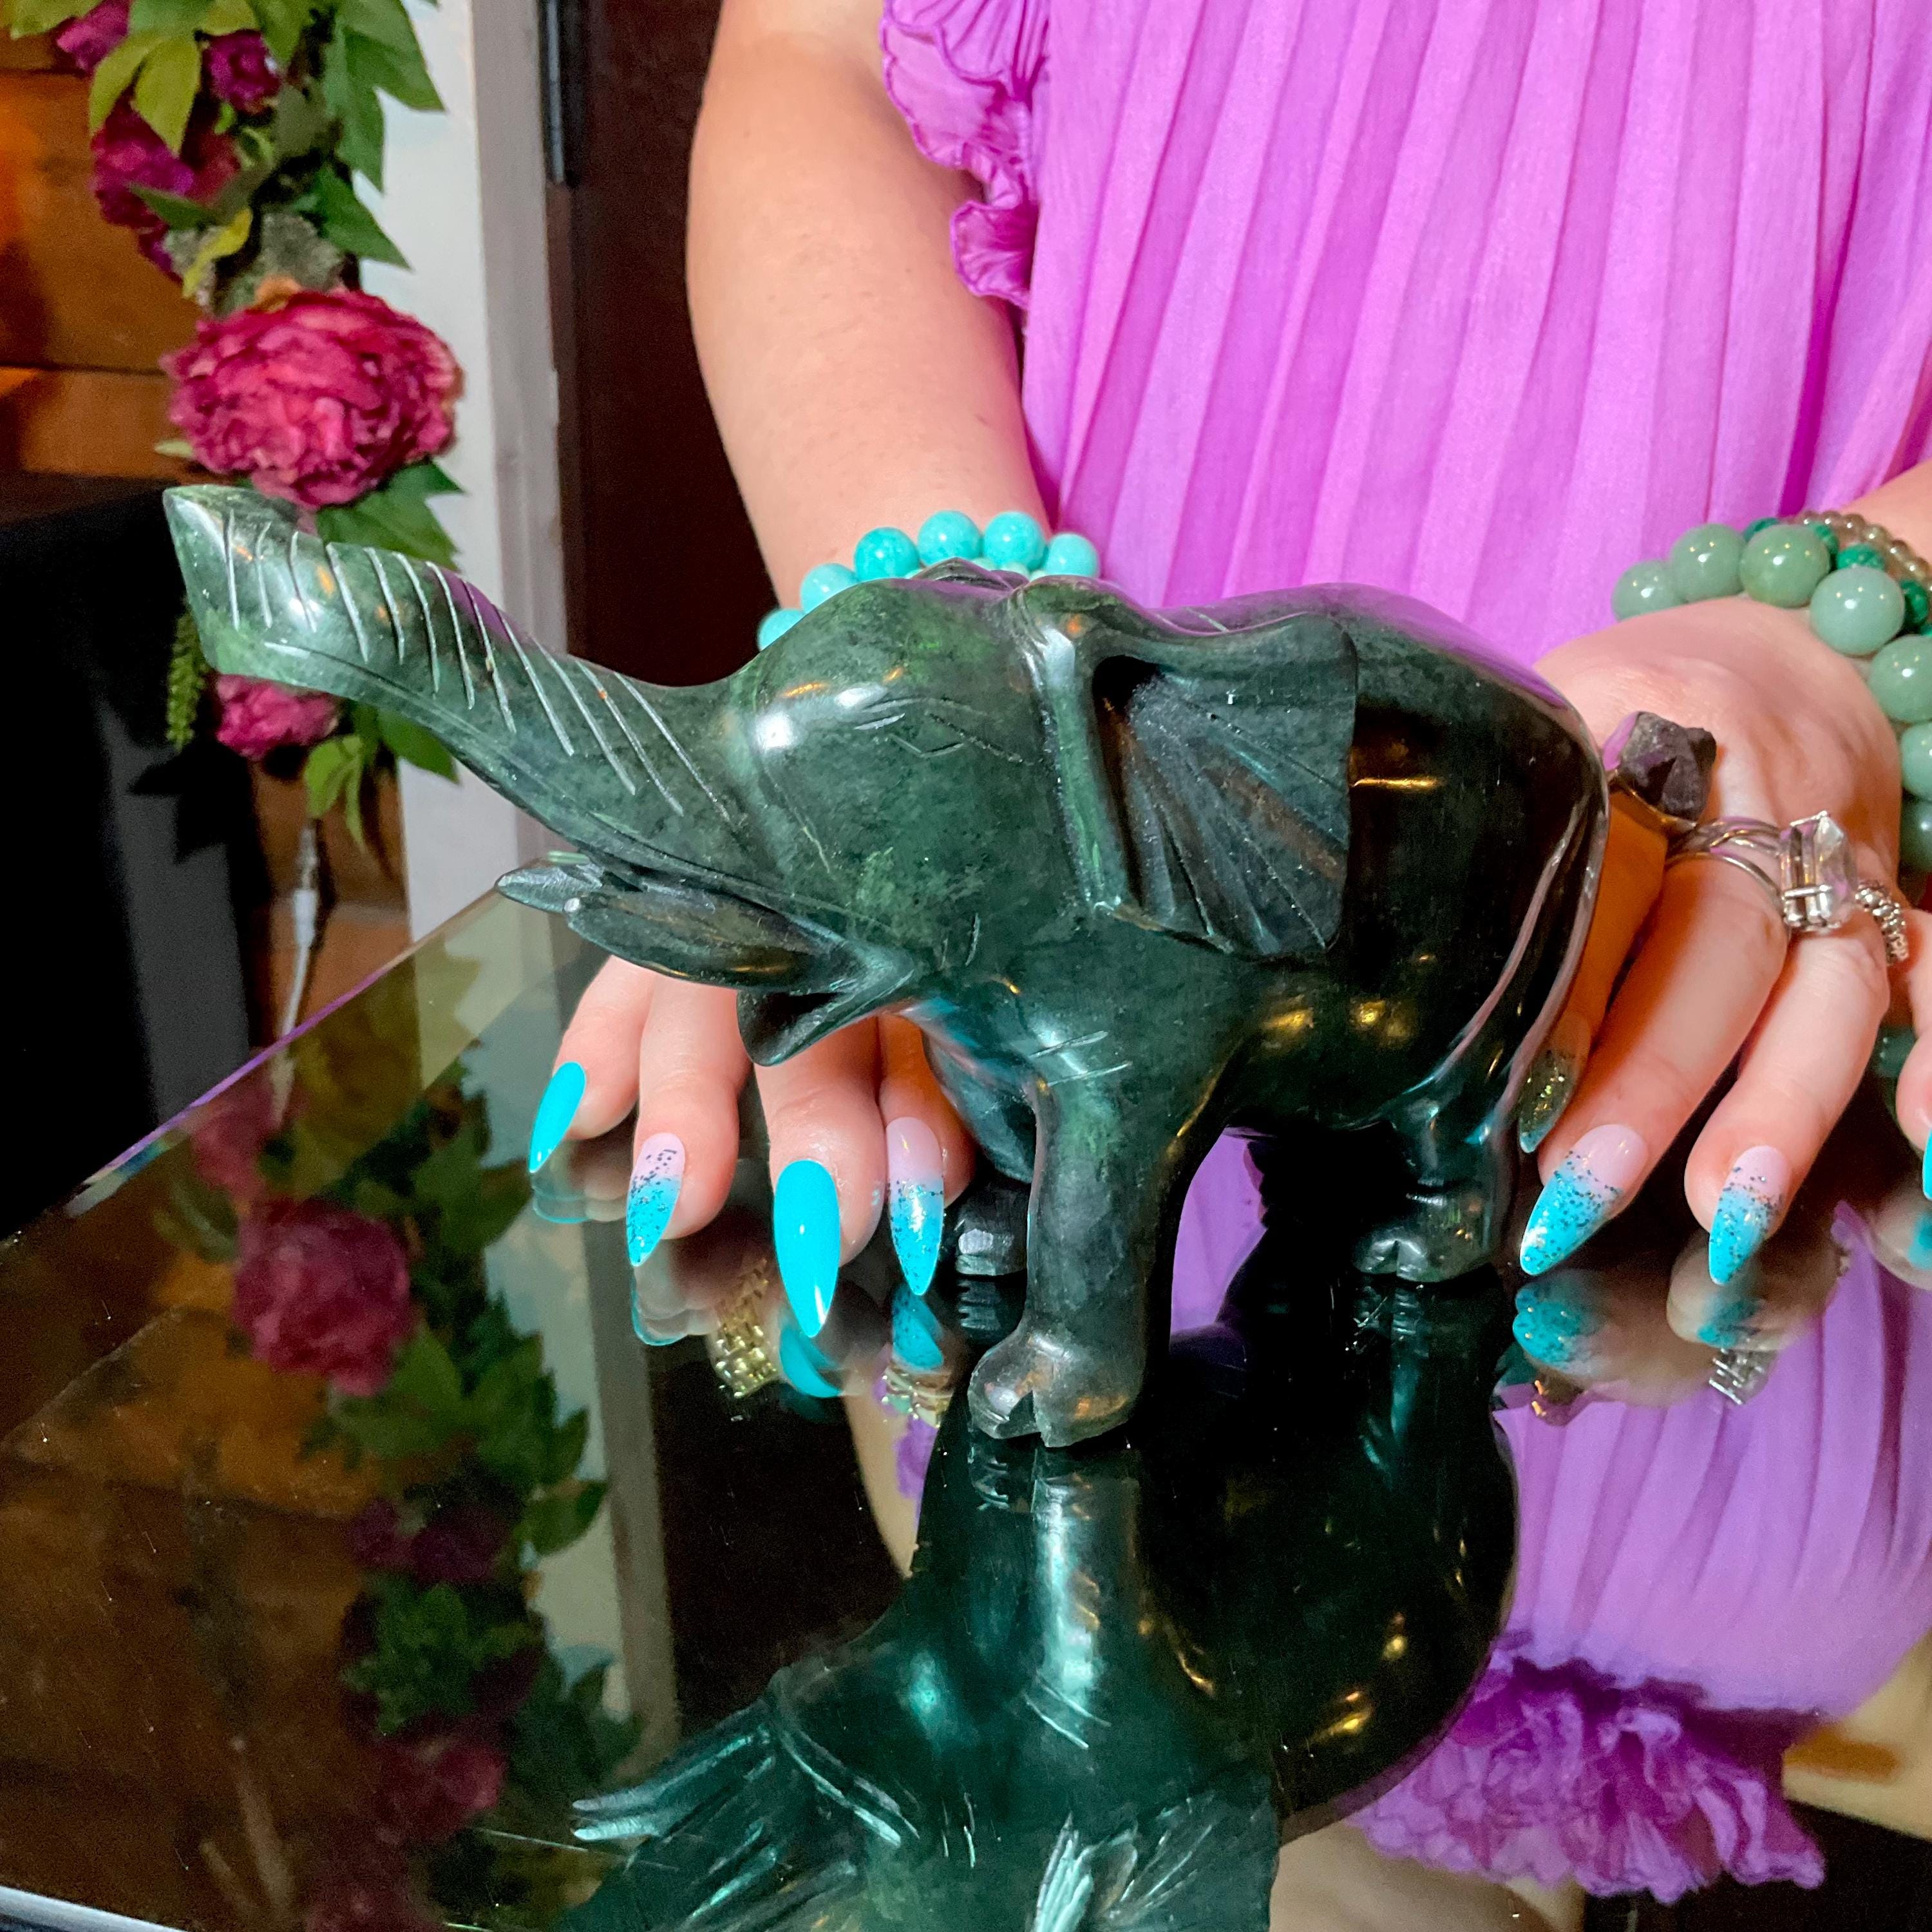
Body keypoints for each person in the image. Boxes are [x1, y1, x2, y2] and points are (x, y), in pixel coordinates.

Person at [538, 2, 1932, 1893]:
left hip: (1766, 1180)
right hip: (1084, 1485)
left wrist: (1850, 640)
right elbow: (832, 56)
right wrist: (929, 720)